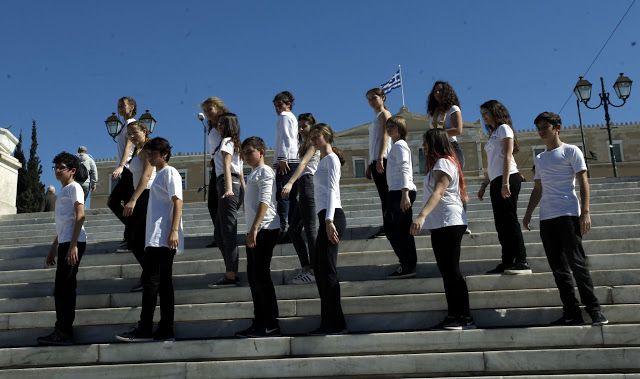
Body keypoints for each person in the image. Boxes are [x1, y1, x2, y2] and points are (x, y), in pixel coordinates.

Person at [523, 112, 608, 326]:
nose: (541, 131)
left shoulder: (571, 151)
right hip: (547, 218)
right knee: (559, 269)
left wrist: (585, 212)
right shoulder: (540, 158)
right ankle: (571, 312)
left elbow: (583, 182)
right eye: (538, 128)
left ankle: (594, 309)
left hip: (568, 215)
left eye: (545, 127)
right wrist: (528, 213)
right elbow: (538, 188)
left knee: (577, 264)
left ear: (557, 127)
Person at [116, 137, 184, 342]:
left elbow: (178, 202)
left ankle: (145, 328)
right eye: (148, 153)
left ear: (164, 154)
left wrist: (173, 231)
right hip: (156, 238)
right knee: (162, 285)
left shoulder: (169, 172)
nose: (149, 156)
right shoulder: (160, 174)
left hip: (162, 238)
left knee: (152, 283)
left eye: (153, 153)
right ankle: (165, 330)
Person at [410, 129, 476, 330]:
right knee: (447, 272)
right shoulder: (442, 164)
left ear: (435, 143)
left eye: (426, 142)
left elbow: (439, 192)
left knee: (451, 271)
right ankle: (454, 314)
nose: (424, 146)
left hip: (449, 221)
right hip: (442, 223)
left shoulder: (444, 162)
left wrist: (421, 216)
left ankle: (464, 316)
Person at [37, 152, 87, 345]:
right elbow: (65, 223)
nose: (57, 171)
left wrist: (73, 244)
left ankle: (64, 331)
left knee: (65, 288)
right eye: (55, 167)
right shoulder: (64, 191)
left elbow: (80, 216)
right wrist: (53, 247)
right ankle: (62, 329)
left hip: (73, 242)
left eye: (61, 167)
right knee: (62, 288)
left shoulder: (74, 188)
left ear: (72, 171)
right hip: (66, 241)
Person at [477, 100, 531, 275]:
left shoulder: (504, 129)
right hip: (496, 180)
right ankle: (507, 261)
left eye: (486, 113)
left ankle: (522, 260)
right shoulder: (493, 133)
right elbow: (493, 163)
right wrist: (484, 184)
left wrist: (505, 182)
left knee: (510, 220)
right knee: (501, 224)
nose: (483, 116)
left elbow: (507, 156)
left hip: (508, 178)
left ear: (495, 112)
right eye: (482, 114)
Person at [235, 136, 281, 338]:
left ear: (261, 152)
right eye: (244, 153)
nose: (246, 156)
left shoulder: (265, 171)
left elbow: (265, 202)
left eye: (250, 152)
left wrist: (254, 228)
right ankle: (259, 322)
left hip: (265, 229)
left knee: (261, 277)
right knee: (254, 278)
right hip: (255, 230)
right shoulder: (254, 173)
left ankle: (271, 324)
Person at [307, 123, 348, 335]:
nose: (313, 140)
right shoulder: (323, 160)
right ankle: (327, 322)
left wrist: (329, 220)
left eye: (316, 136)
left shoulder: (331, 159)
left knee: (328, 271)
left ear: (326, 136)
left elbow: (333, 190)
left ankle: (337, 324)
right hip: (325, 216)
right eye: (311, 137)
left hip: (332, 217)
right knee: (322, 272)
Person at [208, 113, 245, 288]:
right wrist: (243, 195)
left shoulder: (226, 142)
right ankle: (231, 270)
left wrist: (229, 188)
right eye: (219, 122)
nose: (219, 125)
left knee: (228, 232)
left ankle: (231, 275)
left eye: (223, 123)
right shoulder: (235, 143)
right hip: (233, 185)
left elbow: (228, 167)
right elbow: (242, 173)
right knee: (219, 233)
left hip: (227, 184)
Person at [282, 113, 319, 285]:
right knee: (293, 230)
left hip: (308, 183)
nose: (302, 129)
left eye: (305, 126)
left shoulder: (313, 143)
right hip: (304, 185)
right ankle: (306, 267)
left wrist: (290, 182)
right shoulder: (304, 143)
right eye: (300, 126)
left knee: (310, 229)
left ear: (312, 126)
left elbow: (303, 164)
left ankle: (314, 270)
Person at [123, 121, 156, 292]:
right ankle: (149, 274)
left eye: (134, 133)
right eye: (129, 134)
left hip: (147, 194)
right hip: (140, 194)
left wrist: (133, 199)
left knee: (135, 236)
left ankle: (151, 275)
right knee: (133, 237)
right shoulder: (138, 150)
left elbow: (147, 174)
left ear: (144, 131)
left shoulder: (148, 148)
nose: (132, 137)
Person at [384, 116, 418, 279]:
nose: (389, 128)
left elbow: (405, 169)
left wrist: (405, 194)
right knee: (398, 230)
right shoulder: (395, 146)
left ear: (401, 128)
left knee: (397, 230)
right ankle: (407, 264)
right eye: (387, 126)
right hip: (396, 191)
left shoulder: (400, 145)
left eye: (393, 126)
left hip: (401, 191)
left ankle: (408, 265)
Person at [107, 97, 137, 253]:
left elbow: (129, 146)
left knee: (117, 202)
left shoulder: (132, 125)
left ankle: (132, 237)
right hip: (125, 169)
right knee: (117, 203)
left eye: (122, 105)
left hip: (129, 168)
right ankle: (132, 234)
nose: (119, 108)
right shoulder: (125, 125)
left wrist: (120, 166)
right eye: (118, 105)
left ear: (131, 107)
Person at [200, 97, 231, 248]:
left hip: (224, 166)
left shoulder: (224, 121)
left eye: (209, 109)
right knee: (213, 204)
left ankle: (223, 237)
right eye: (205, 110)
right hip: (216, 166)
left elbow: (230, 141)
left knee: (218, 204)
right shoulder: (212, 124)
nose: (207, 113)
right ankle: (220, 236)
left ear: (218, 107)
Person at [272, 91, 299, 243]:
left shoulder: (285, 116)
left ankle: (282, 228)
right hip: (293, 160)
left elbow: (286, 138)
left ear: (288, 104)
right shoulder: (291, 118)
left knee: (283, 196)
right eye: (275, 106)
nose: (277, 109)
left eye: (280, 105)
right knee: (291, 196)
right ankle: (292, 228)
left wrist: (282, 158)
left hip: (287, 161)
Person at [365, 88, 392, 239]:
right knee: (383, 195)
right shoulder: (376, 117)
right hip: (376, 159)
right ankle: (387, 225)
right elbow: (373, 143)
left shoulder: (384, 114)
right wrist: (370, 163)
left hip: (383, 158)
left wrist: (380, 158)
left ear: (383, 97)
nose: (371, 102)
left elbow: (385, 136)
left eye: (373, 98)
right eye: (369, 99)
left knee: (386, 194)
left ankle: (388, 226)